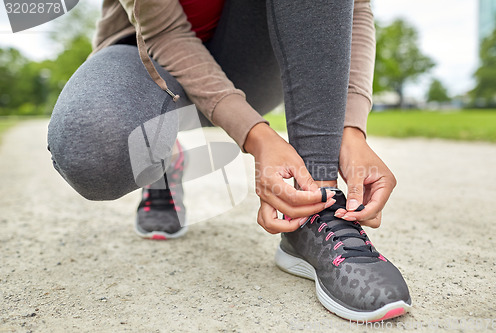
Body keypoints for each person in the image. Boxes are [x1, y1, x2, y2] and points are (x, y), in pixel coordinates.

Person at [47, 0, 411, 322]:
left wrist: (350, 127)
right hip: (149, 58)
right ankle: (161, 160)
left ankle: (315, 206)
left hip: (253, 61)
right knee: (92, 145)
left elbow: (355, 8)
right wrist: (257, 135)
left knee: (319, 175)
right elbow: (167, 31)